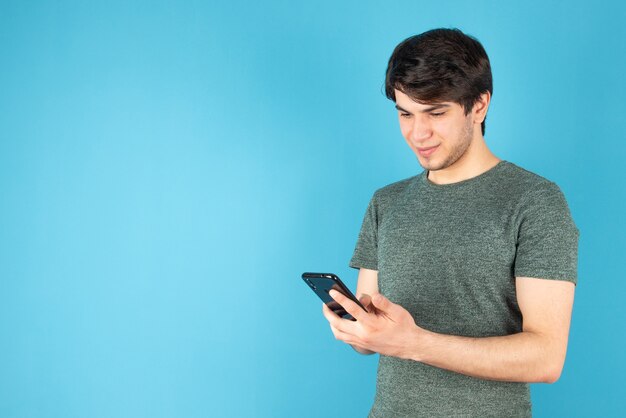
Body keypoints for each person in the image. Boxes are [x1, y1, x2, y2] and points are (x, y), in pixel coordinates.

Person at [321, 28, 579, 417]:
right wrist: (356, 327)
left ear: (479, 105)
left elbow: (546, 357)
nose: (417, 133)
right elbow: (369, 342)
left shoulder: (535, 201)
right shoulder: (386, 202)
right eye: (405, 114)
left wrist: (414, 343)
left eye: (436, 113)